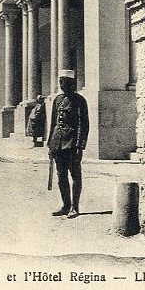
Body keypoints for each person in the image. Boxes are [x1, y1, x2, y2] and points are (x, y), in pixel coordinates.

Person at [47, 70, 89, 218]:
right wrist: (50, 144)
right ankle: (65, 205)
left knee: (75, 176)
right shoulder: (57, 100)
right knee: (61, 176)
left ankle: (74, 207)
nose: (61, 84)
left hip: (71, 144)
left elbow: (83, 125)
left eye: (63, 81)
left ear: (71, 83)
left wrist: (79, 146)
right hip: (58, 143)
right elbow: (53, 123)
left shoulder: (79, 101)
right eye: (60, 81)